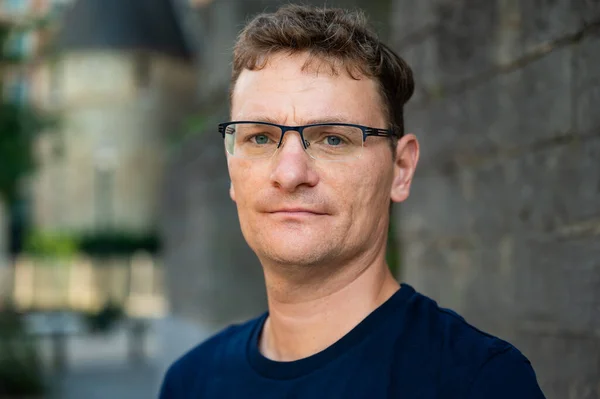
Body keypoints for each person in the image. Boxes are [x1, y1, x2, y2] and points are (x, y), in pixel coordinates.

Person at [159, 4, 545, 398]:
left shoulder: (479, 382)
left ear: (401, 168)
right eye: (260, 137)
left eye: (333, 139)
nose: (290, 174)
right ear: (231, 168)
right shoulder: (190, 382)